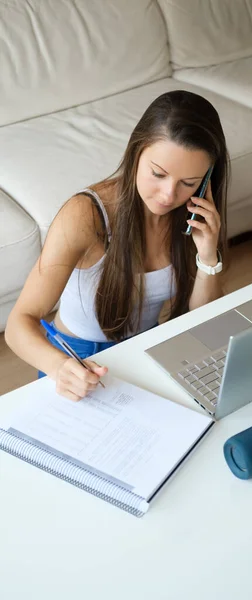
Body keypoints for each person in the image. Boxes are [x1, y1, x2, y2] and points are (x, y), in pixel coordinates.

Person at [5, 90, 230, 401]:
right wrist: (59, 368)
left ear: (205, 180)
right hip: (78, 358)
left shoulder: (195, 214)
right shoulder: (85, 216)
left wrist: (207, 256)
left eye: (189, 183)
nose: (168, 196)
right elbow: (19, 324)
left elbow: (206, 321)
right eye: (158, 174)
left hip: (147, 349)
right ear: (136, 152)